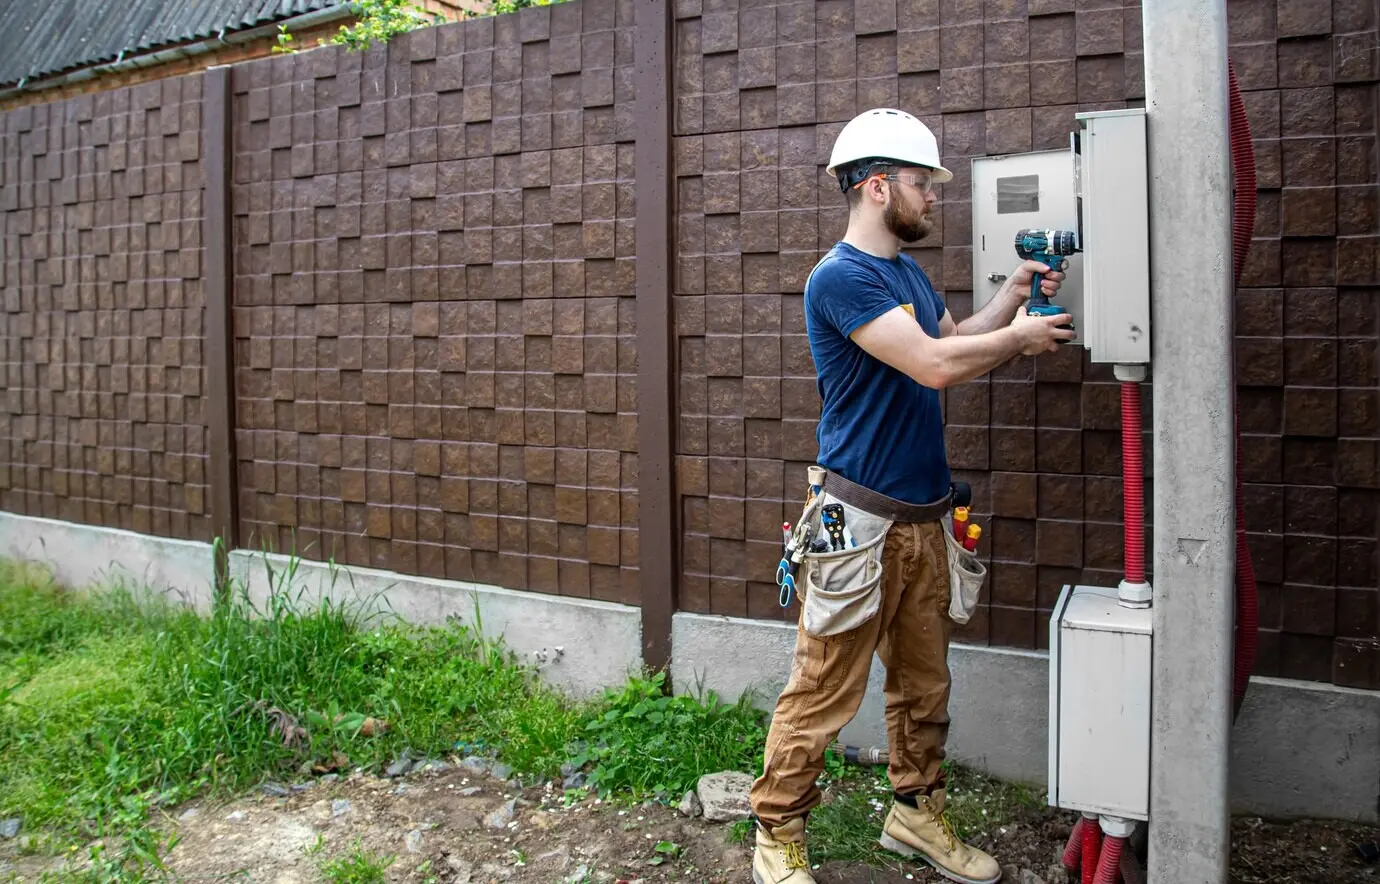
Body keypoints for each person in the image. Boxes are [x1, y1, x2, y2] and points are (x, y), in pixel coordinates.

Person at [748, 108, 1076, 884]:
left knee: (925, 687)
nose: (933, 199)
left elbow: (957, 340)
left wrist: (1016, 296)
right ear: (876, 186)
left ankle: (915, 815)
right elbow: (933, 367)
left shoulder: (905, 273)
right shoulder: (840, 278)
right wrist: (1022, 340)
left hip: (925, 519)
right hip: (857, 522)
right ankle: (776, 833)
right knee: (824, 689)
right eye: (924, 185)